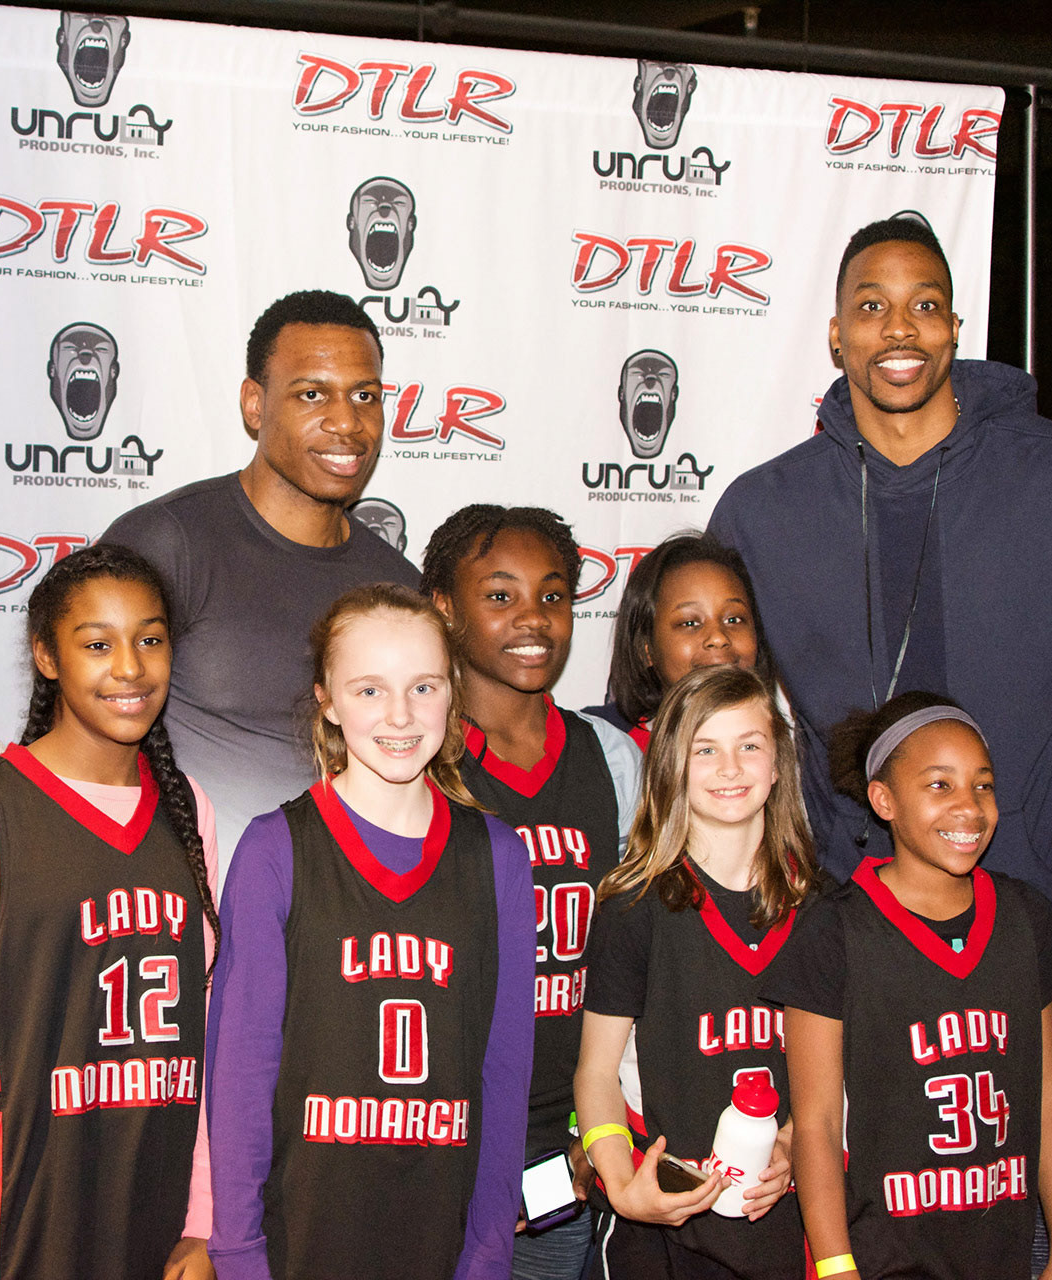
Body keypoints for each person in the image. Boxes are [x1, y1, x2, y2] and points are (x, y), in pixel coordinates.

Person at [707, 216, 1052, 1273]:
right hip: (852, 970)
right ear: (834, 334)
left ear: (957, 323)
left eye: (925, 302)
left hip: (1045, 954)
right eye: (871, 306)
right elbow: (697, 726)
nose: (899, 328)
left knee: (1041, 1254)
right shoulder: (763, 510)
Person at [0, 544, 220, 1280]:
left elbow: (205, 1028)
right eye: (97, 644)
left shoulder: (186, 808)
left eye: (150, 639)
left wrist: (204, 1223)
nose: (130, 668)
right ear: (47, 656)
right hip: (25, 1201)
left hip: (158, 1202)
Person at [206, 584, 534, 1280]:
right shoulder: (275, 851)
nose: (400, 715)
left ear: (453, 693)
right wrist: (237, 1255)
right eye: (368, 691)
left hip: (444, 1249)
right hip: (300, 1245)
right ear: (326, 699)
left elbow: (503, 1074)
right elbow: (241, 1078)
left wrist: (487, 1251)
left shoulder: (498, 858)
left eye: (423, 686)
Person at [766, 693, 1052, 1280]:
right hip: (881, 1257)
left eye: (982, 785)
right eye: (940, 785)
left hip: (1000, 1255)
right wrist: (836, 1265)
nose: (969, 806)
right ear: (883, 800)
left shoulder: (1026, 918)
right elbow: (815, 1122)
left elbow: (1045, 1093)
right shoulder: (835, 932)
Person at [102, 289, 420, 856]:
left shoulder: (395, 587)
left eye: (365, 395)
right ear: (255, 404)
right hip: (186, 916)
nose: (347, 422)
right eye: (312, 394)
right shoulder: (169, 542)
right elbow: (82, 731)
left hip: (341, 922)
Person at [420, 504, 641, 1279]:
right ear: (444, 608)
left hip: (585, 1154)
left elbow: (642, 957)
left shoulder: (608, 757)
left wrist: (604, 1142)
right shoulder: (417, 763)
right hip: (452, 1161)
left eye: (552, 596)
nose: (534, 621)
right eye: (501, 596)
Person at [573, 665, 813, 1279]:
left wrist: (790, 1143)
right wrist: (625, 1187)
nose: (729, 768)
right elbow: (597, 1072)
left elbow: (836, 1075)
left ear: (779, 762)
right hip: (662, 1235)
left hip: (782, 1224)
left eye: (749, 746)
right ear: (672, 766)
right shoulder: (634, 906)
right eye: (705, 749)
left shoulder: (821, 910)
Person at [585, 532, 774, 752]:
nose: (718, 638)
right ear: (645, 650)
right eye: (690, 623)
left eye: (734, 619)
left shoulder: (777, 743)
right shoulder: (606, 749)